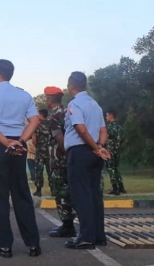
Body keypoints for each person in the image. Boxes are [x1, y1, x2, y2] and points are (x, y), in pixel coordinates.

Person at [0, 59, 41, 258]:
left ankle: (5, 246)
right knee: (22, 195)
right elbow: (35, 120)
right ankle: (33, 245)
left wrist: (6, 143)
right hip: (19, 146)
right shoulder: (24, 95)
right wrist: (21, 141)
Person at [63, 71, 110, 250]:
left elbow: (81, 130)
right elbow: (103, 129)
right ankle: (99, 235)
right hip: (95, 153)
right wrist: (100, 146)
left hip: (81, 152)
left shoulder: (74, 104)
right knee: (94, 195)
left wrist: (95, 147)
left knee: (81, 195)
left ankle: (86, 237)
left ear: (71, 86)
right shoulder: (95, 104)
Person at [43, 86, 77, 238]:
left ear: (49, 99)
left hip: (59, 161)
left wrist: (65, 155)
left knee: (61, 193)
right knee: (72, 191)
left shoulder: (54, 118)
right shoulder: (68, 112)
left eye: (46, 97)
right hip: (72, 159)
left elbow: (60, 140)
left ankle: (67, 226)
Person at [105, 109, 126, 195]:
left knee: (111, 169)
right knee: (117, 168)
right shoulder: (120, 127)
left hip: (110, 150)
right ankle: (121, 187)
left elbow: (105, 138)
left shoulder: (109, 127)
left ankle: (115, 188)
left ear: (111, 115)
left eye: (107, 115)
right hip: (118, 150)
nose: (106, 117)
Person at [32, 108, 51, 197]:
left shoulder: (37, 125)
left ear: (41, 115)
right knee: (51, 170)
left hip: (40, 150)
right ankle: (53, 190)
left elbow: (34, 140)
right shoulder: (51, 123)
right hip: (50, 151)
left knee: (38, 171)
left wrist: (37, 147)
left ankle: (38, 190)